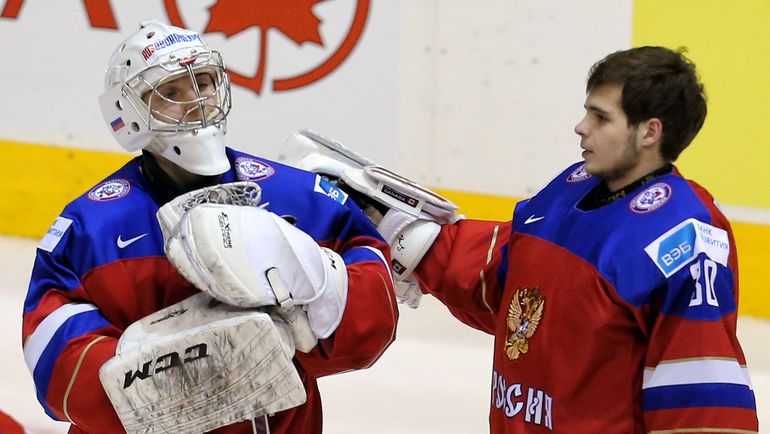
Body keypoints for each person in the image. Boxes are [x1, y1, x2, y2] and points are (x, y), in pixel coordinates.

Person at [282, 46, 759, 432]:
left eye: (601, 117)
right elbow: (510, 280)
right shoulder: (572, 187)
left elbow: (701, 404)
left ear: (650, 132)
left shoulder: (685, 237)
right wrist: (406, 233)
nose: (581, 127)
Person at [22, 20, 398, 434]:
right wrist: (159, 386)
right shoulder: (91, 226)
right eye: (171, 91)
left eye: (202, 83)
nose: (196, 102)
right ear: (129, 114)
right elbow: (51, 352)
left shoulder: (297, 197)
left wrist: (323, 291)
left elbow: (372, 312)